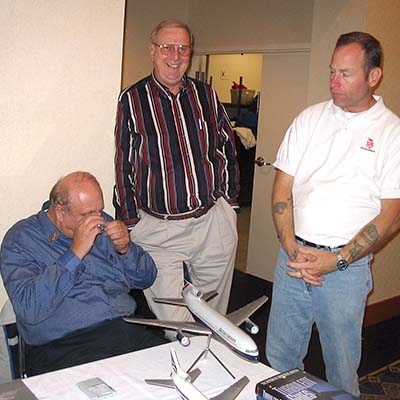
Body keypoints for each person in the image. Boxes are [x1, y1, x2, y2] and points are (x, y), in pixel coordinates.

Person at [266, 32, 400, 396]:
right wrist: (292, 248)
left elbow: (391, 216)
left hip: (345, 271)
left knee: (340, 368)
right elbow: (282, 189)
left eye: (345, 73)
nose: (333, 82)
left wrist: (336, 260)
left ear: (373, 77)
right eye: (331, 71)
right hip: (293, 259)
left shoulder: (391, 133)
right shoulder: (310, 119)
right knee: (278, 359)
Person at [113, 19, 239, 327]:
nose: (175, 55)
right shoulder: (132, 100)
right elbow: (123, 165)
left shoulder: (206, 95)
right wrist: (131, 224)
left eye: (183, 48)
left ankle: (212, 373)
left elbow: (227, 148)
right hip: (160, 231)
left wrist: (230, 206)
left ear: (190, 52)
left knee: (215, 320)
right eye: (167, 47)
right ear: (153, 51)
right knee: (178, 326)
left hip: (212, 224)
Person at [0, 171, 167, 376]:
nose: (97, 220)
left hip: (126, 329)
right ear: (60, 211)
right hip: (65, 346)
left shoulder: (102, 223)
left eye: (99, 211)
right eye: (87, 214)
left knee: (179, 375)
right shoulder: (21, 239)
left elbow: (146, 277)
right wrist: (75, 253)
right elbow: (29, 308)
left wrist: (126, 248)